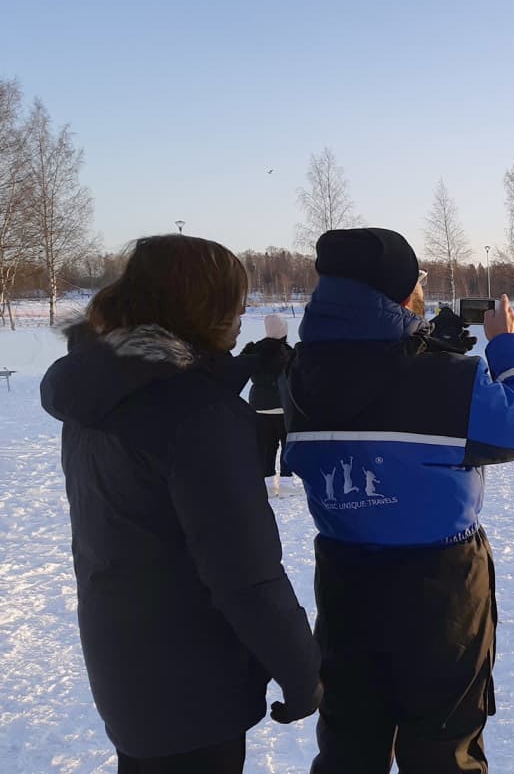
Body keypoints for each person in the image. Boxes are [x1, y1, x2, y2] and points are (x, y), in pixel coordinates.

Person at [40, 235, 322, 773]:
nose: (243, 313)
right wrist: (302, 668)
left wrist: (229, 371)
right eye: (234, 300)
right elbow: (244, 572)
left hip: (127, 662)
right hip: (194, 679)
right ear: (201, 307)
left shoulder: (103, 391)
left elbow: (165, 404)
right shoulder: (200, 417)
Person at [281, 227, 514, 773]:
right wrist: (508, 347)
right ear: (403, 294)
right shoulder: (448, 380)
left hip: (343, 579)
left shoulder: (297, 375)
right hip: (440, 587)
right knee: (442, 745)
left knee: (350, 740)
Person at [240, 314, 295, 495]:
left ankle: (269, 484)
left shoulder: (254, 350)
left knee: (266, 446)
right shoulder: (287, 352)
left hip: (259, 406)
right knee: (287, 445)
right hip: (283, 406)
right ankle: (286, 483)